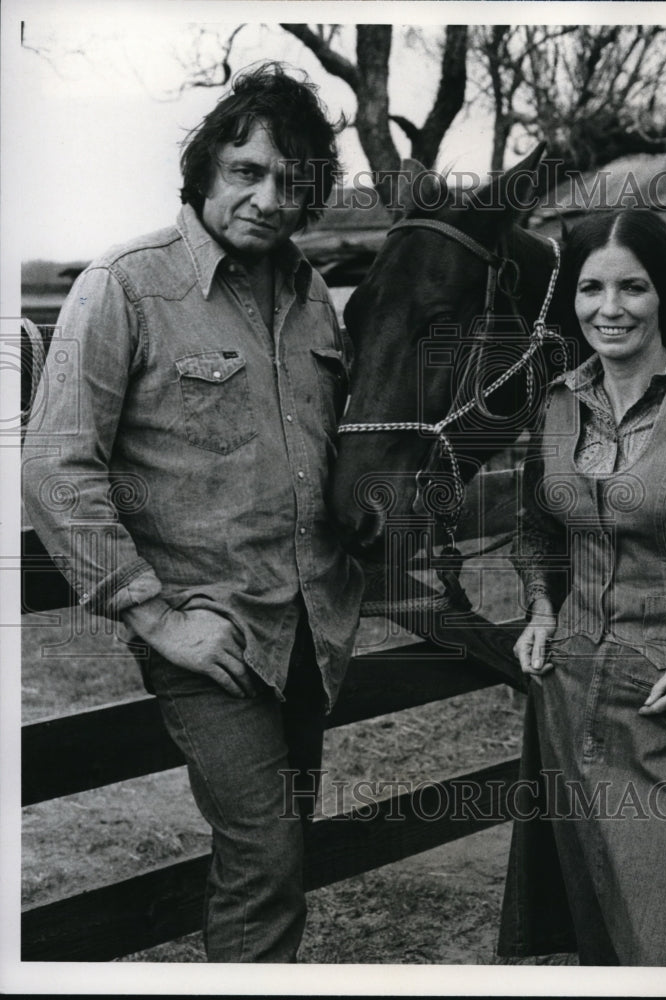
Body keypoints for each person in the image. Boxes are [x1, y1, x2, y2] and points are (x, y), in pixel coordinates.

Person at [22, 63, 364, 962]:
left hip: (308, 630)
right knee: (265, 856)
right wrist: (156, 617)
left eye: (292, 182)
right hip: (209, 634)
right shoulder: (126, 286)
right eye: (246, 171)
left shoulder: (313, 303)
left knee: (279, 852)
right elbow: (57, 466)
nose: (267, 198)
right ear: (206, 168)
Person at [500, 209, 666, 966]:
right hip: (571, 707)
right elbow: (540, 530)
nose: (610, 310)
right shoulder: (557, 404)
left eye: (632, 288)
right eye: (590, 289)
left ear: (664, 292)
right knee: (600, 938)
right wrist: (541, 607)